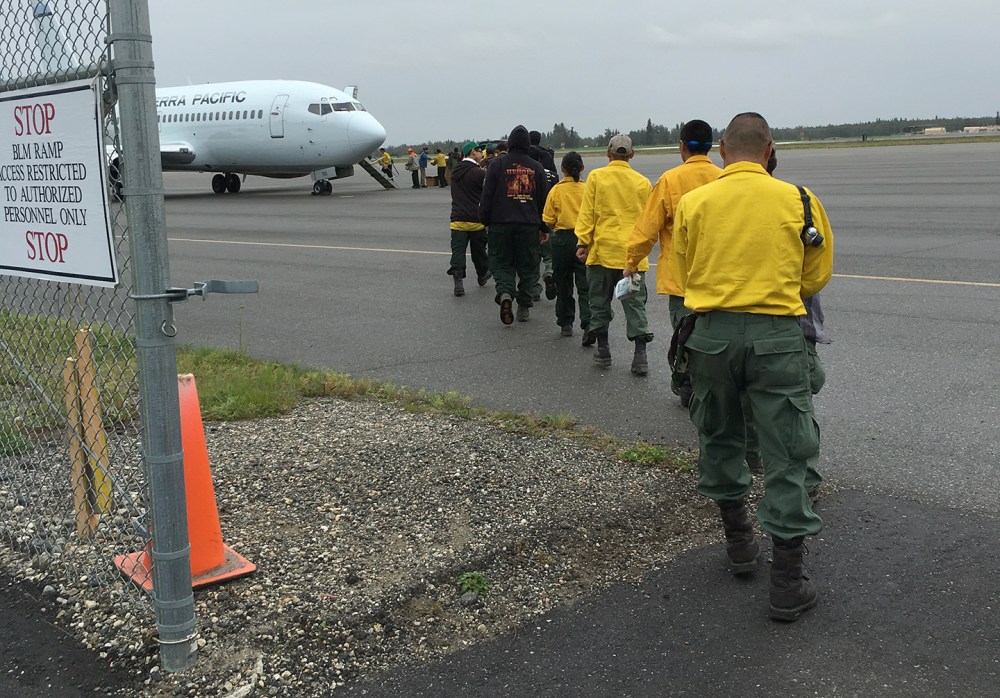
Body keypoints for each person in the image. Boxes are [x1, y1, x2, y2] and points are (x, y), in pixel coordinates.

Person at [671, 112, 834, 622]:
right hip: (776, 336)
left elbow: (685, 265)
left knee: (718, 432)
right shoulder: (800, 200)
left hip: (712, 335)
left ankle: (740, 543)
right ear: (769, 151)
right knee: (785, 449)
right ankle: (786, 581)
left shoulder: (694, 202)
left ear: (722, 150)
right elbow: (816, 275)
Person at [626, 119, 721, 399]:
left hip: (682, 279)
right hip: (718, 277)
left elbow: (647, 230)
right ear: (712, 146)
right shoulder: (723, 177)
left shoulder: (669, 180)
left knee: (685, 336)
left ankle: (689, 385)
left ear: (681, 146)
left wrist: (631, 262)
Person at [574, 134, 653, 375]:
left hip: (602, 253)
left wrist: (583, 243)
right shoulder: (642, 183)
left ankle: (603, 350)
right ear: (631, 154)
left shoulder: (596, 177)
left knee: (599, 302)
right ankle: (640, 356)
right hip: (631, 257)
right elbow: (648, 223)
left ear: (608, 153)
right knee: (635, 305)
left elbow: (587, 214)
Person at [479, 125, 549, 325]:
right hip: (528, 225)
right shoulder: (536, 168)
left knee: (501, 263)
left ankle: (505, 293)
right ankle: (524, 307)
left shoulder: (497, 165)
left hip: (501, 223)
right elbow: (543, 201)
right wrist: (544, 228)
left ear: (509, 144)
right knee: (528, 265)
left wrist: (485, 220)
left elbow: (487, 196)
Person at [542, 151, 591, 340]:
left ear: (562, 169)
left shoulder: (556, 190)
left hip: (562, 239)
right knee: (584, 283)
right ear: (582, 168)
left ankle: (566, 322)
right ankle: (588, 322)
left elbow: (548, 219)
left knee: (563, 282)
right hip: (583, 239)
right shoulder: (587, 189)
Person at [448, 141, 491, 296]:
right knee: (479, 252)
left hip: (458, 218)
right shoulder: (479, 173)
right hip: (475, 218)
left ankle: (458, 283)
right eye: (480, 151)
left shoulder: (455, 171)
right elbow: (487, 194)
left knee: (458, 252)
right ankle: (482, 275)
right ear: (473, 152)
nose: (482, 154)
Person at [529, 130, 558, 301]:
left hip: (530, 218)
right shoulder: (548, 159)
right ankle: (549, 272)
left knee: (532, 257)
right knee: (549, 254)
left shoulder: (525, 170)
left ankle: (534, 289)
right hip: (548, 217)